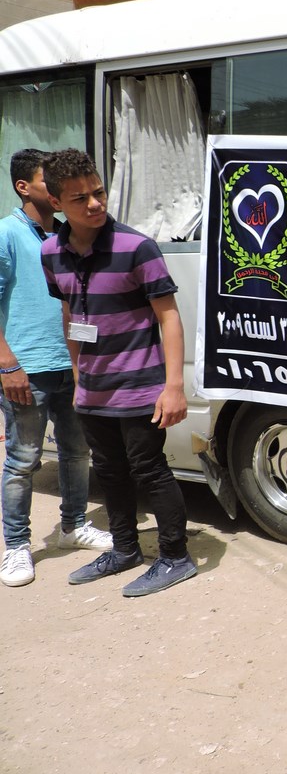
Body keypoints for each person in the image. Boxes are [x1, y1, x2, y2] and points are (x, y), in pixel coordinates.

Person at [40, 148, 196, 597]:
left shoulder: (136, 247)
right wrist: (78, 377)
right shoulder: (51, 252)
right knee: (108, 471)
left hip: (141, 385)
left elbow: (168, 316)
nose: (94, 204)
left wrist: (173, 386)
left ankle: (175, 557)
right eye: (80, 198)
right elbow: (70, 313)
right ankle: (125, 549)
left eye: (98, 192)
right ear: (57, 203)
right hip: (93, 389)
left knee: (149, 469)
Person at [0, 149, 113, 588]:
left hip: (72, 364)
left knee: (77, 452)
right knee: (23, 460)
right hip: (27, 368)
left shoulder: (67, 235)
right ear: (23, 187)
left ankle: (73, 526)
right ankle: (16, 546)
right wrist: (8, 365)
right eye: (49, 181)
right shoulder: (8, 233)